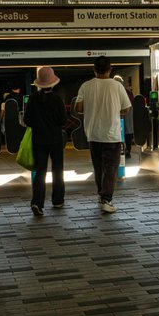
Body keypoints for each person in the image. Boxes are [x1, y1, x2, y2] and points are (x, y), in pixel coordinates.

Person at [76, 57, 131, 213]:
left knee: (99, 167)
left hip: (93, 134)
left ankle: (101, 196)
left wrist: (92, 107)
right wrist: (114, 112)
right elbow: (126, 109)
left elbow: (79, 107)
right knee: (111, 168)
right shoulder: (117, 86)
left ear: (94, 69)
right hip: (111, 134)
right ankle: (106, 199)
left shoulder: (86, 86)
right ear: (110, 69)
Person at [23, 67, 67, 216]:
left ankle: (37, 202)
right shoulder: (57, 99)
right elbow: (63, 121)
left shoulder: (33, 99)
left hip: (38, 140)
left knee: (40, 172)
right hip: (55, 139)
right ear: (52, 83)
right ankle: (58, 200)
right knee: (57, 170)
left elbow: (27, 120)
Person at [114, 75, 135, 158]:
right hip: (128, 114)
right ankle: (127, 150)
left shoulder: (114, 91)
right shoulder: (128, 92)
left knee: (119, 133)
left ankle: (120, 150)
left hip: (120, 114)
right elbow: (132, 102)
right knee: (128, 133)